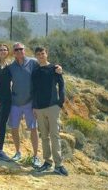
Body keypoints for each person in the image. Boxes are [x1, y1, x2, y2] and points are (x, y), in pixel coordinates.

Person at [8, 42, 62, 168]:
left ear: (24, 50)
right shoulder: (11, 67)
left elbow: (46, 64)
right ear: (13, 52)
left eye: (21, 49)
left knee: (33, 129)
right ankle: (17, 152)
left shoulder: (33, 62)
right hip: (15, 102)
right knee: (14, 128)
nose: (19, 51)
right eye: (16, 50)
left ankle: (36, 157)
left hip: (30, 103)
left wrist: (58, 67)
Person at [32, 46, 68, 176]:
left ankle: (59, 165)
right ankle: (47, 162)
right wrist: (34, 107)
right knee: (45, 137)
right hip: (39, 109)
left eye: (43, 53)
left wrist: (60, 102)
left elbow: (61, 85)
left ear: (47, 54)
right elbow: (33, 90)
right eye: (38, 54)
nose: (41, 56)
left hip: (53, 107)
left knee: (55, 136)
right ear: (36, 56)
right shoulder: (35, 71)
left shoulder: (54, 69)